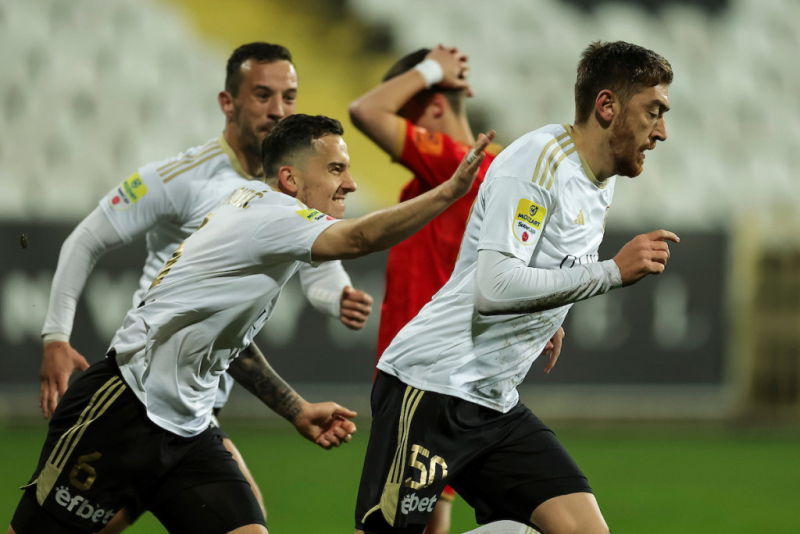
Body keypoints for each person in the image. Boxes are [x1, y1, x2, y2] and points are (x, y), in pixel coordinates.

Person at [9, 114, 495, 534]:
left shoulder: (255, 206)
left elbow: (230, 342)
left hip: (189, 428)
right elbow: (359, 239)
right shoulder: (274, 216)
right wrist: (450, 191)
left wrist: (295, 409)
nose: (349, 183)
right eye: (335, 169)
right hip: (123, 409)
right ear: (289, 178)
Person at [36, 42, 373, 532]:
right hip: (142, 394)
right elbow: (87, 238)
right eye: (262, 95)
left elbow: (317, 263)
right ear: (227, 103)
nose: (278, 109)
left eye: (288, 96)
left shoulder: (299, 192)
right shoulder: (184, 178)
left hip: (196, 408)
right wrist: (55, 335)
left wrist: (336, 295)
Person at [353, 40, 676, 534]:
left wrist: (547, 316)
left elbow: (546, 261)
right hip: (433, 386)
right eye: (653, 112)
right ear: (607, 105)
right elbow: (494, 288)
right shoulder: (537, 161)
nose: (662, 131)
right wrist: (611, 272)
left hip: (494, 400)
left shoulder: (599, 179)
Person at [349, 44, 501, 534]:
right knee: (429, 519)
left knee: (386, 523)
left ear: (435, 106)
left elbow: (364, 112)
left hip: (421, 379)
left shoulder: (456, 164)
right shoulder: (454, 180)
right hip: (449, 375)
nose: (393, 142)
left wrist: (432, 68)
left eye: (406, 116)